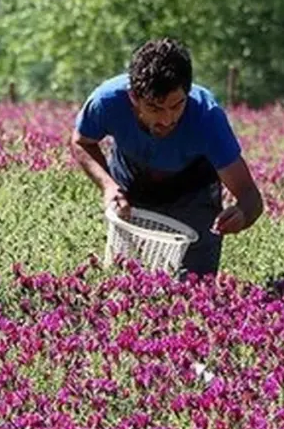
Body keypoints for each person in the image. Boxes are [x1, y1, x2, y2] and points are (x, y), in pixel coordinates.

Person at [70, 37, 264, 278]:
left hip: (192, 191)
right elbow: (81, 142)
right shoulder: (107, 102)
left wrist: (242, 215)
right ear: (133, 98)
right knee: (125, 280)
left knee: (193, 288)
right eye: (154, 108)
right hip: (131, 185)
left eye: (176, 106)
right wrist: (108, 186)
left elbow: (251, 196)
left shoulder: (208, 118)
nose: (167, 119)